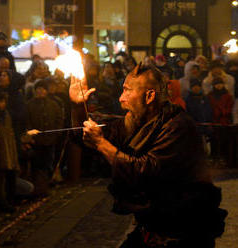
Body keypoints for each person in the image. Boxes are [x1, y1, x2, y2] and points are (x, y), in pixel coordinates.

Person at [69, 64, 227, 247]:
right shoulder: (135, 120)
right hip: (152, 227)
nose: (121, 98)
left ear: (150, 96)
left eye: (127, 91)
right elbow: (84, 138)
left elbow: (145, 171)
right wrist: (79, 106)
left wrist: (100, 143)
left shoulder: (176, 126)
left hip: (182, 233)